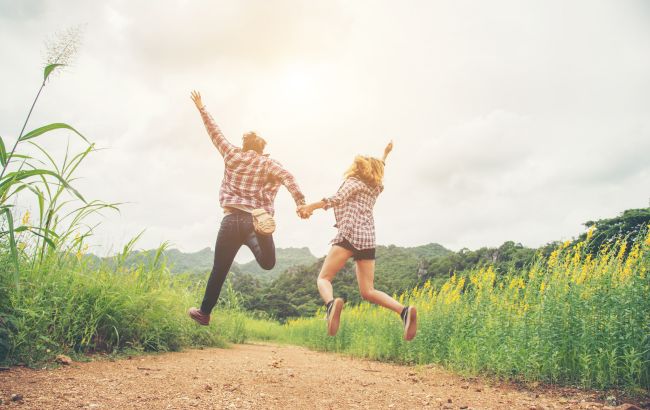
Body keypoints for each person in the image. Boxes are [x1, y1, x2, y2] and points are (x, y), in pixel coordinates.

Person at [188, 90, 307, 325]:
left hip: (231, 220)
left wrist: (202, 108)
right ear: (262, 149)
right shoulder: (268, 163)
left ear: (244, 145)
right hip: (255, 220)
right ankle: (264, 232)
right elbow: (288, 177)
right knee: (267, 263)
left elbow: (215, 133)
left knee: (219, 269)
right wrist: (300, 202)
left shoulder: (232, 154)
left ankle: (204, 313)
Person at [299, 142, 417, 341]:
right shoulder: (376, 188)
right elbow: (380, 166)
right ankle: (404, 311)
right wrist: (385, 154)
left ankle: (330, 306)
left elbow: (336, 198)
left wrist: (311, 206)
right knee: (368, 290)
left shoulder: (353, 182)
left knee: (324, 278)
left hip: (349, 234)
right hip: (368, 239)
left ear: (357, 168)